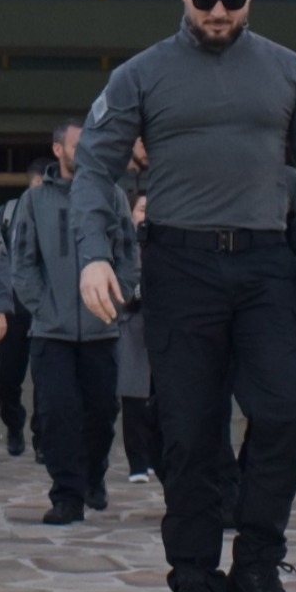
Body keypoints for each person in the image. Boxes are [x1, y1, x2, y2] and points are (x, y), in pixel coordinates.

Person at [74, 0, 296, 592]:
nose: (218, 12)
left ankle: (258, 567)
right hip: (180, 270)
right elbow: (94, 170)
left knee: (288, 413)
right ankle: (194, 589)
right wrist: (93, 256)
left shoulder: (288, 71)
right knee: (190, 436)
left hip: (270, 269)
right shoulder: (141, 75)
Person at [11, 121, 138, 523]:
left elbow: (128, 254)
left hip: (102, 330)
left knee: (101, 414)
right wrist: (43, 307)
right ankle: (66, 496)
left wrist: (116, 301)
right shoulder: (34, 201)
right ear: (58, 150)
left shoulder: (111, 195)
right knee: (57, 414)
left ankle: (93, 476)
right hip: (52, 332)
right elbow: (22, 262)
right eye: (77, 144)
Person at [0, 158, 49, 459]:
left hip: (46, 307)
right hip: (14, 305)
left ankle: (42, 438)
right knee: (8, 376)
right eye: (37, 185)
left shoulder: (58, 213)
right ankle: (14, 424)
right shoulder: (8, 214)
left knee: (45, 376)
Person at [116, 191, 158, 483]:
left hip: (160, 327)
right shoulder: (123, 243)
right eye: (142, 209)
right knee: (133, 398)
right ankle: (137, 463)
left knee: (159, 398)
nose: (146, 216)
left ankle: (155, 456)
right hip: (131, 326)